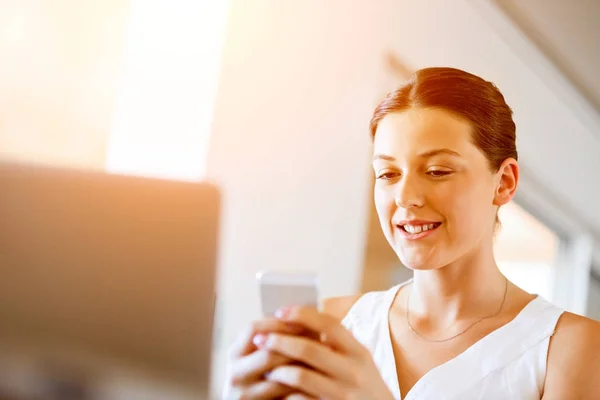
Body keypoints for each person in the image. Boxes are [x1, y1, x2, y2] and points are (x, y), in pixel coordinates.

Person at [223, 67, 600, 399]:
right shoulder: (334, 326)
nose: (405, 197)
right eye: (387, 174)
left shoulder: (570, 348)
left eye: (436, 171)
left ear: (504, 182)